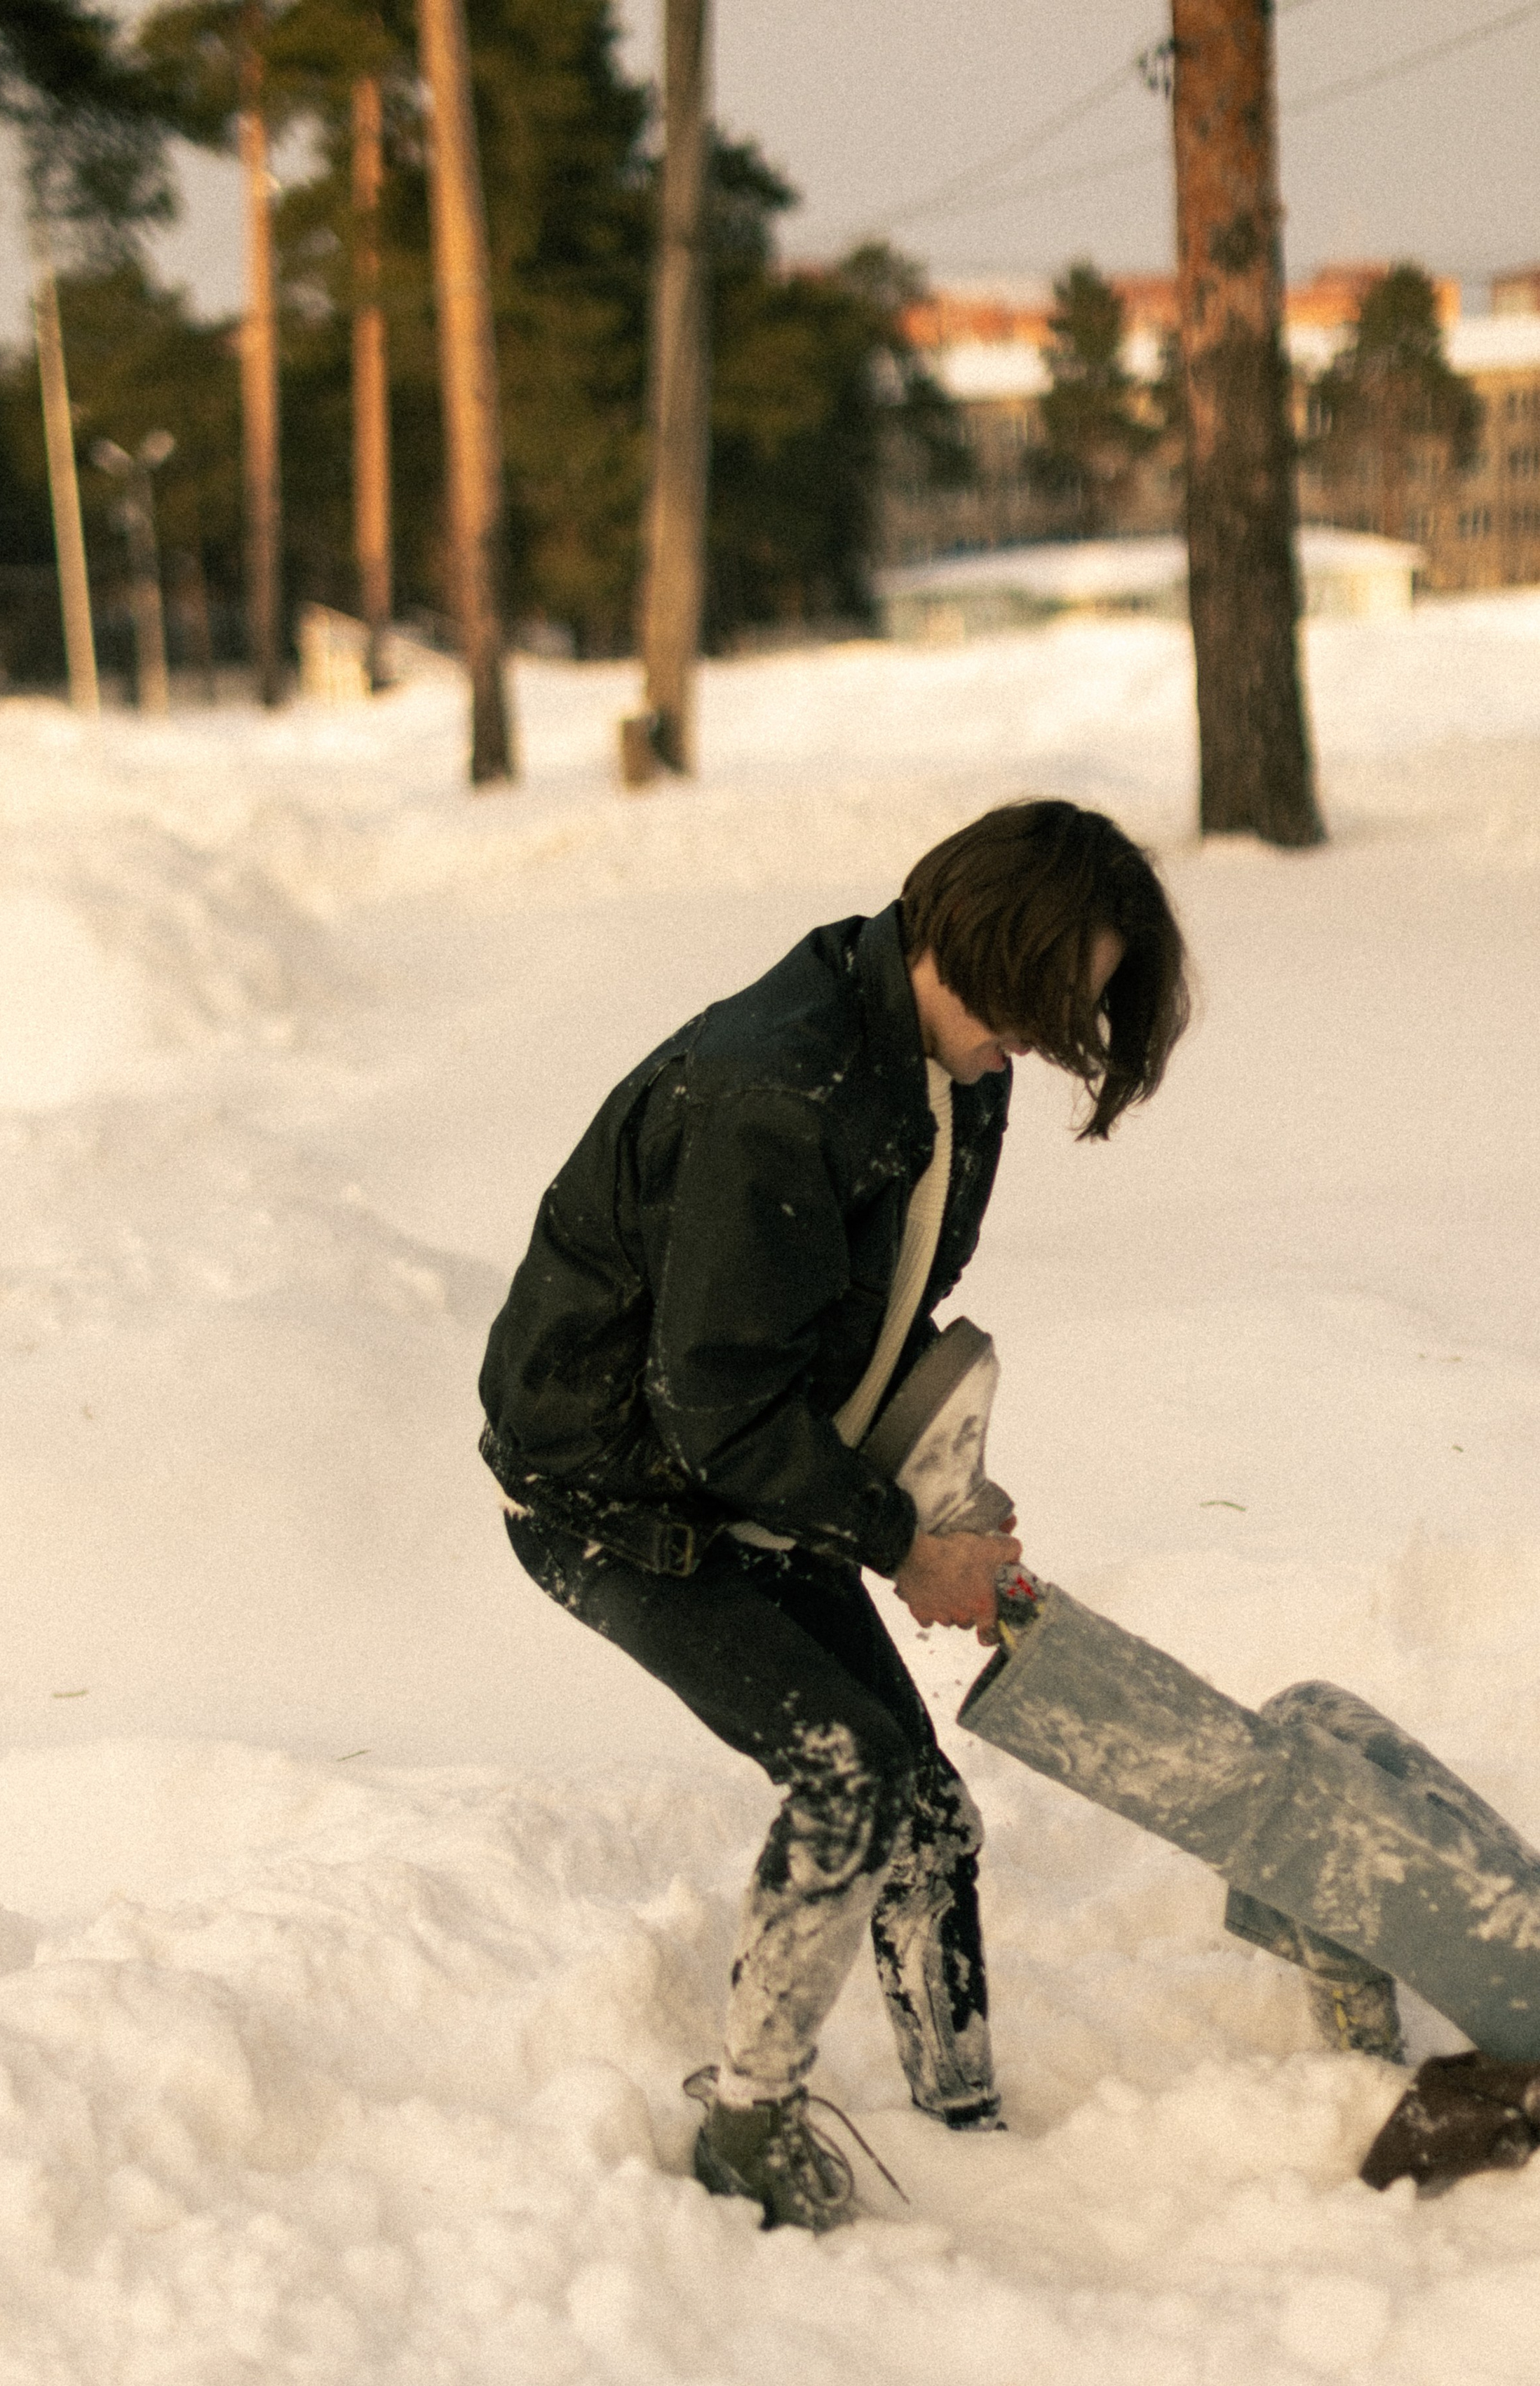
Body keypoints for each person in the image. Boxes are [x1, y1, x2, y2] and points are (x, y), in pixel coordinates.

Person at [479, 801, 1191, 2231]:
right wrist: (899, 1546)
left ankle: (963, 2120)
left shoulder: (951, 1070)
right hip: (618, 1496)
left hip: (748, 1466)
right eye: (1057, 1001)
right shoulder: (776, 1093)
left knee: (927, 1815)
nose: (1055, 1042)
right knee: (848, 1772)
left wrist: (938, 1493)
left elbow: (860, 1315)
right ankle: (745, 2129)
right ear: (989, 947)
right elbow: (715, 1403)